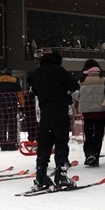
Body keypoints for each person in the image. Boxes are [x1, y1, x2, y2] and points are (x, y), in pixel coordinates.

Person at [29, 52, 80, 189]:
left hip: (45, 114)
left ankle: (40, 176)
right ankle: (61, 175)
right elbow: (74, 86)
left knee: (44, 145)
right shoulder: (58, 71)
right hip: (59, 112)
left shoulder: (37, 73)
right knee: (61, 143)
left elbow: (33, 91)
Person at [73, 59, 105, 167]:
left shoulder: (82, 80)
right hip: (101, 111)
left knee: (88, 134)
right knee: (98, 135)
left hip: (87, 112)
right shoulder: (103, 79)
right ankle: (96, 156)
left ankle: (89, 154)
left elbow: (77, 95)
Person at [0, 68, 24, 151]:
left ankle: (3, 144)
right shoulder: (14, 80)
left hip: (0, 105)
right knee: (12, 124)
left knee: (2, 124)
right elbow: (19, 94)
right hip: (12, 105)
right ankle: (12, 143)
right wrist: (22, 105)